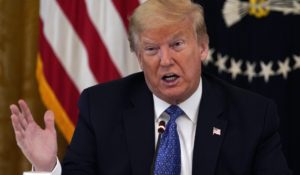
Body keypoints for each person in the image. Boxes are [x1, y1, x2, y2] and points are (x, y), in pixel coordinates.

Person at [10, 0, 291, 174]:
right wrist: (47, 168)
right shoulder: (102, 107)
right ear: (139, 57)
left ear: (203, 47)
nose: (165, 60)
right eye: (152, 49)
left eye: (177, 45)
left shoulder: (252, 114)